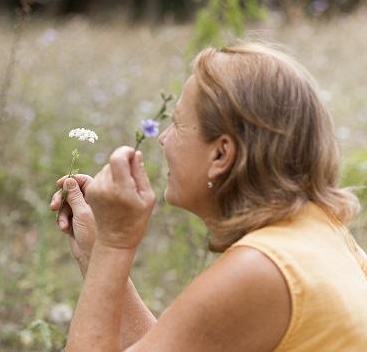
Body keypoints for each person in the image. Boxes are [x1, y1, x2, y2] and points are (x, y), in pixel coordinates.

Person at [51, 43, 367, 351]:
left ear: (221, 154)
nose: (162, 139)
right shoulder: (323, 233)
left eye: (176, 124)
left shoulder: (259, 270)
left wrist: (114, 243)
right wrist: (97, 252)